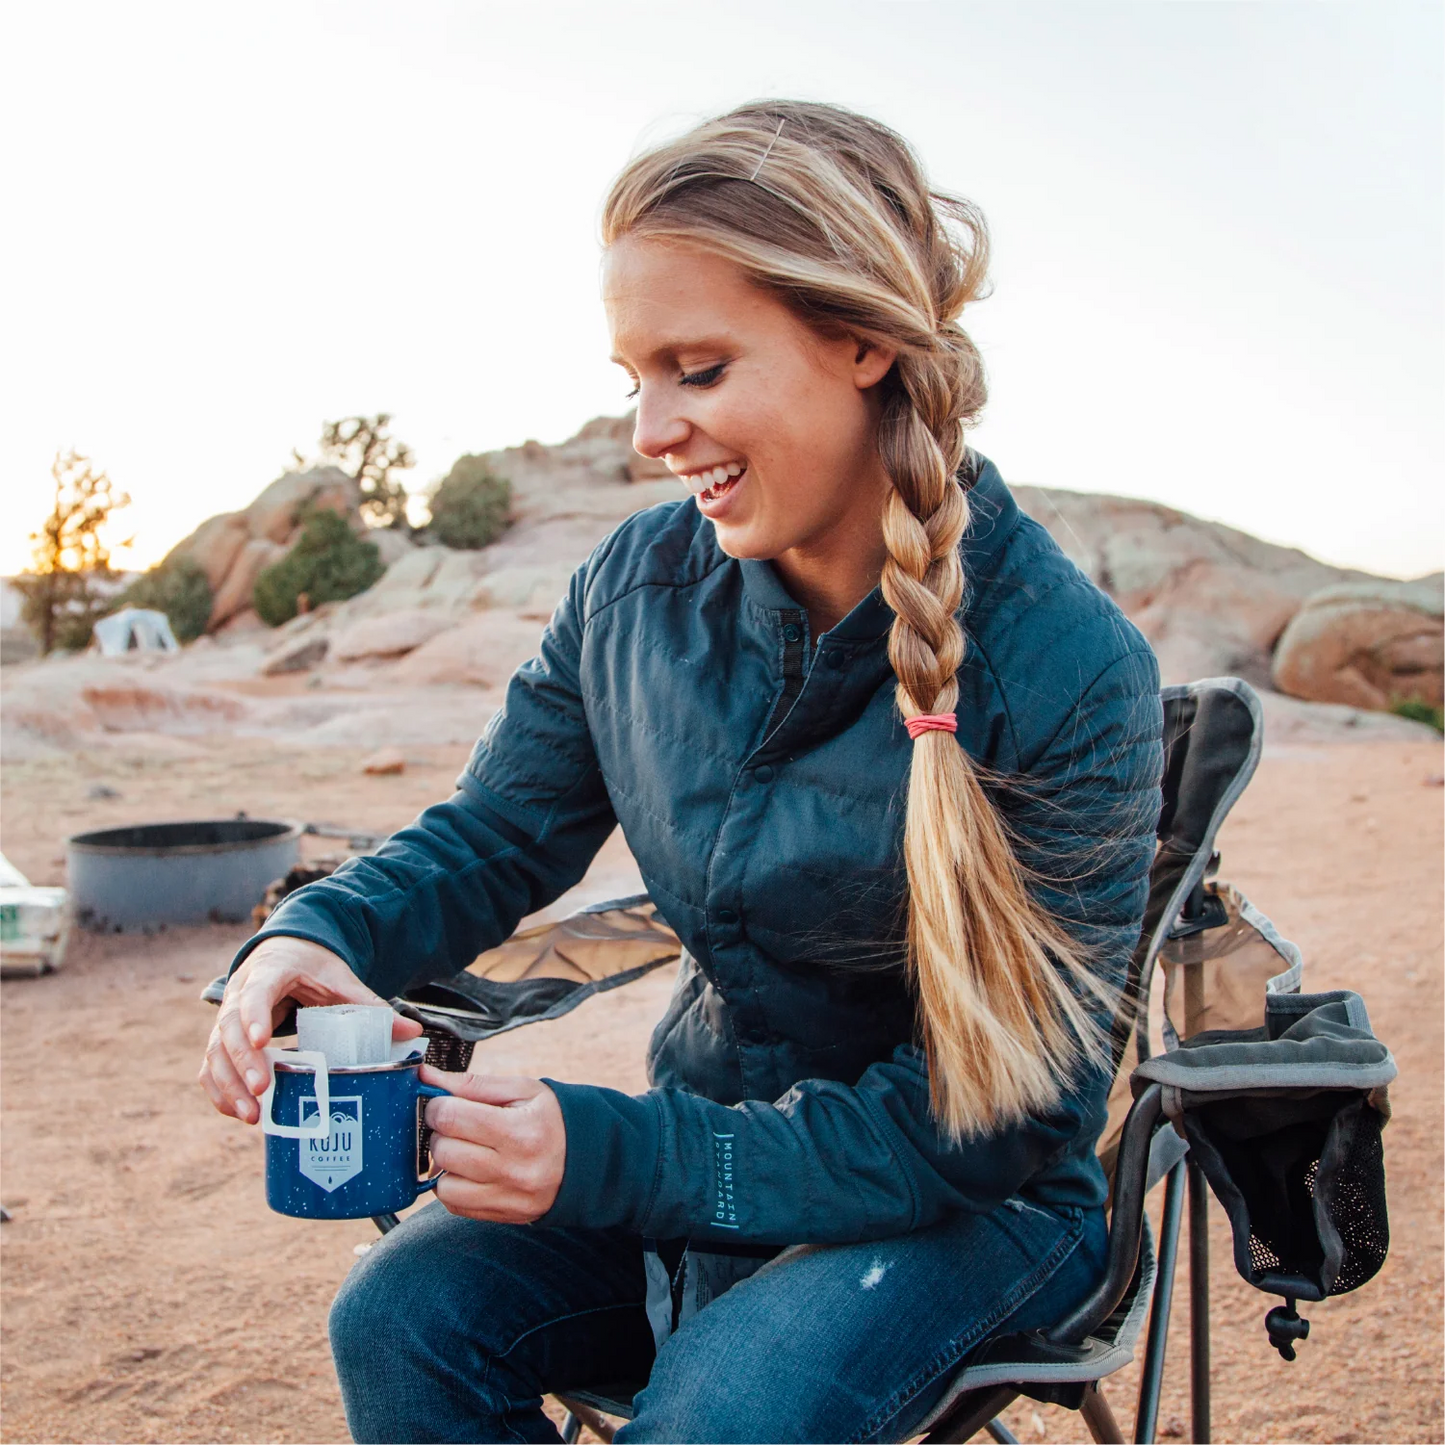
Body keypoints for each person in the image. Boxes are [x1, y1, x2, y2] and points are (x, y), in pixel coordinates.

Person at [200, 100, 1164, 1444]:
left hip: (971, 1205)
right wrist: (309, 934)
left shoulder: (1067, 668)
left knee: (724, 1418)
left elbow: (999, 1118)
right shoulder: (633, 596)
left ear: (865, 344)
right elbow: (496, 834)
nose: (650, 434)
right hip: (703, 1149)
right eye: (631, 377)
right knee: (399, 1320)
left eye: (698, 370)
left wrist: (607, 1155)